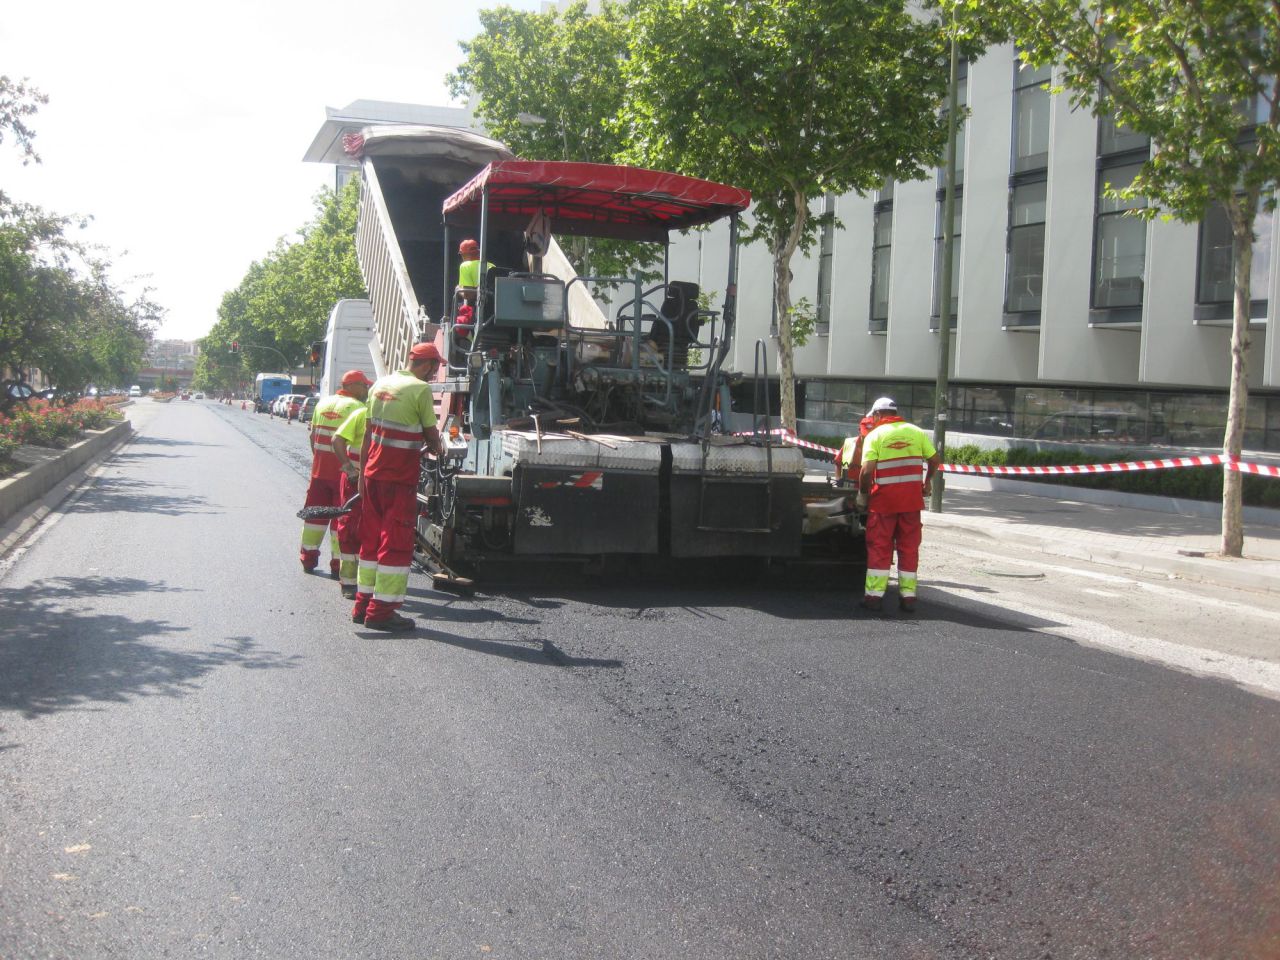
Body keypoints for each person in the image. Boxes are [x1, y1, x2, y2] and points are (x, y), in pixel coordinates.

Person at [352, 341, 446, 632]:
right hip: (398, 479)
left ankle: (362, 605)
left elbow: (369, 434)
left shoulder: (379, 385)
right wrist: (438, 446)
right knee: (395, 544)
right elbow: (431, 436)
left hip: (372, 474)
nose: (434, 373)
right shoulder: (419, 390)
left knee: (370, 541)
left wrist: (361, 473)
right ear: (427, 365)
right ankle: (381, 613)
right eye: (435, 367)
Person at [857, 397, 940, 614]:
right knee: (909, 549)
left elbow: (866, 471)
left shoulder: (875, 435)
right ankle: (908, 598)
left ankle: (874, 598)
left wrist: (863, 493)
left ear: (876, 415)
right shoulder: (916, 431)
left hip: (883, 504)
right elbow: (934, 460)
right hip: (911, 504)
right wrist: (927, 481)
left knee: (879, 548)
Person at [299, 371, 372, 574]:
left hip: (319, 473)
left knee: (314, 517)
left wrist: (319, 461)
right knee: (341, 519)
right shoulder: (359, 408)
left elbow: (313, 436)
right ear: (353, 386)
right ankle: (338, 565)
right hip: (343, 475)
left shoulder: (323, 404)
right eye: (364, 386)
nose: (366, 390)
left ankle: (308, 558)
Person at [331, 402, 368, 600]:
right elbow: (337, 440)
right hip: (355, 480)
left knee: (370, 529)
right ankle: (349, 582)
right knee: (350, 527)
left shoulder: (388, 418)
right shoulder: (361, 415)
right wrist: (348, 467)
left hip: (375, 481)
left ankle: (366, 582)